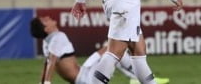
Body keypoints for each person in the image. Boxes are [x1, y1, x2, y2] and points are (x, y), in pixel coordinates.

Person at [30, 16, 170, 84]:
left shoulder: (47, 42)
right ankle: (141, 78)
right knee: (117, 52)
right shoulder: (57, 37)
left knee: (109, 49)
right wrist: (47, 82)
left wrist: (43, 82)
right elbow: (52, 61)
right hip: (86, 79)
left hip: (84, 71)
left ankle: (136, 78)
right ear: (46, 28)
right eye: (44, 20)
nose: (48, 18)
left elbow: (47, 62)